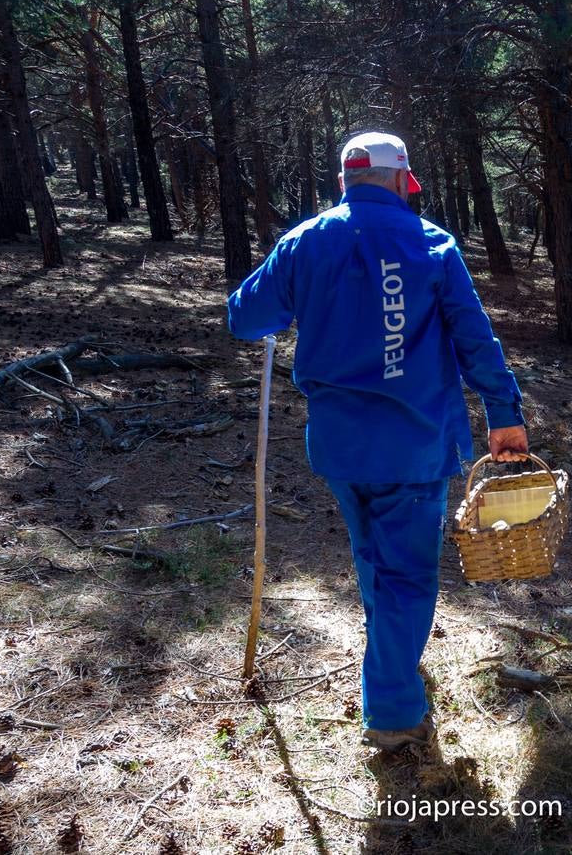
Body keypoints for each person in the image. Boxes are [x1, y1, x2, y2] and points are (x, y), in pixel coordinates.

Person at [226, 130, 528, 752]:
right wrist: (503, 410)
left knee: (374, 561)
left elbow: (245, 318)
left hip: (341, 448)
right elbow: (473, 336)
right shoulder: (431, 244)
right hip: (414, 446)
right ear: (400, 179)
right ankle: (392, 712)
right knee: (408, 576)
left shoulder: (305, 241)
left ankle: (389, 661)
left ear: (345, 181)